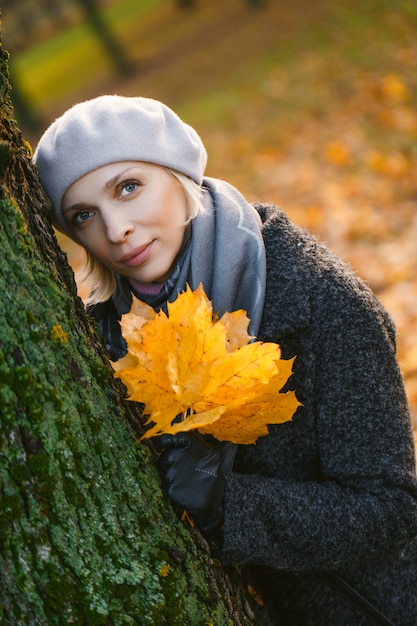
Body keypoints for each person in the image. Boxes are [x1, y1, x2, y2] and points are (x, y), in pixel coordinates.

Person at [33, 95, 417, 625]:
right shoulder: (107, 342)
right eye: (84, 215)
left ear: (177, 173)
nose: (116, 228)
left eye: (128, 187)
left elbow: (390, 512)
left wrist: (229, 504)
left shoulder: (319, 300)